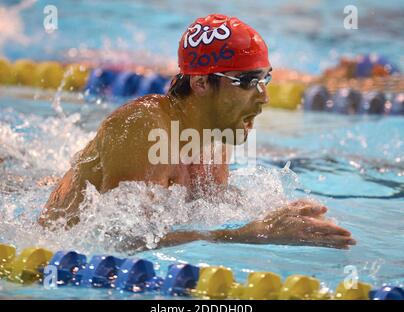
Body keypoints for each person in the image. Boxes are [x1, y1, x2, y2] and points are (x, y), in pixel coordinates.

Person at [38, 14, 356, 251]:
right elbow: (119, 238)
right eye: (247, 82)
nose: (263, 96)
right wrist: (250, 234)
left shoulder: (215, 139)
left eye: (265, 80)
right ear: (201, 82)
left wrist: (274, 217)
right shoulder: (144, 125)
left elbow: (203, 211)